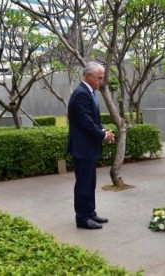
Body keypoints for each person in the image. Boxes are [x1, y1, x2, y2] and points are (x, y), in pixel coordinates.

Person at [67, 61, 114, 230]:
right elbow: (86, 122)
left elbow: (90, 121)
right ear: (88, 76)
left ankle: (90, 213)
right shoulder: (81, 94)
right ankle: (82, 218)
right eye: (99, 78)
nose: (101, 82)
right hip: (83, 147)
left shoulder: (89, 92)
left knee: (90, 182)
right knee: (83, 184)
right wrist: (103, 135)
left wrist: (101, 129)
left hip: (88, 146)